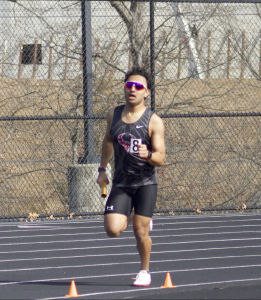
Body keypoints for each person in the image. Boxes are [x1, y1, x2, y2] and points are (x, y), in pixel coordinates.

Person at [97, 66, 165, 287]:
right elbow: (108, 141)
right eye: (129, 86)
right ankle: (133, 213)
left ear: (146, 92)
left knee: (140, 231)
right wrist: (102, 170)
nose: (132, 90)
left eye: (138, 87)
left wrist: (149, 155)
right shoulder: (113, 114)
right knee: (112, 229)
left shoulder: (153, 120)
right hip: (122, 182)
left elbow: (161, 158)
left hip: (145, 182)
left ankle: (144, 270)